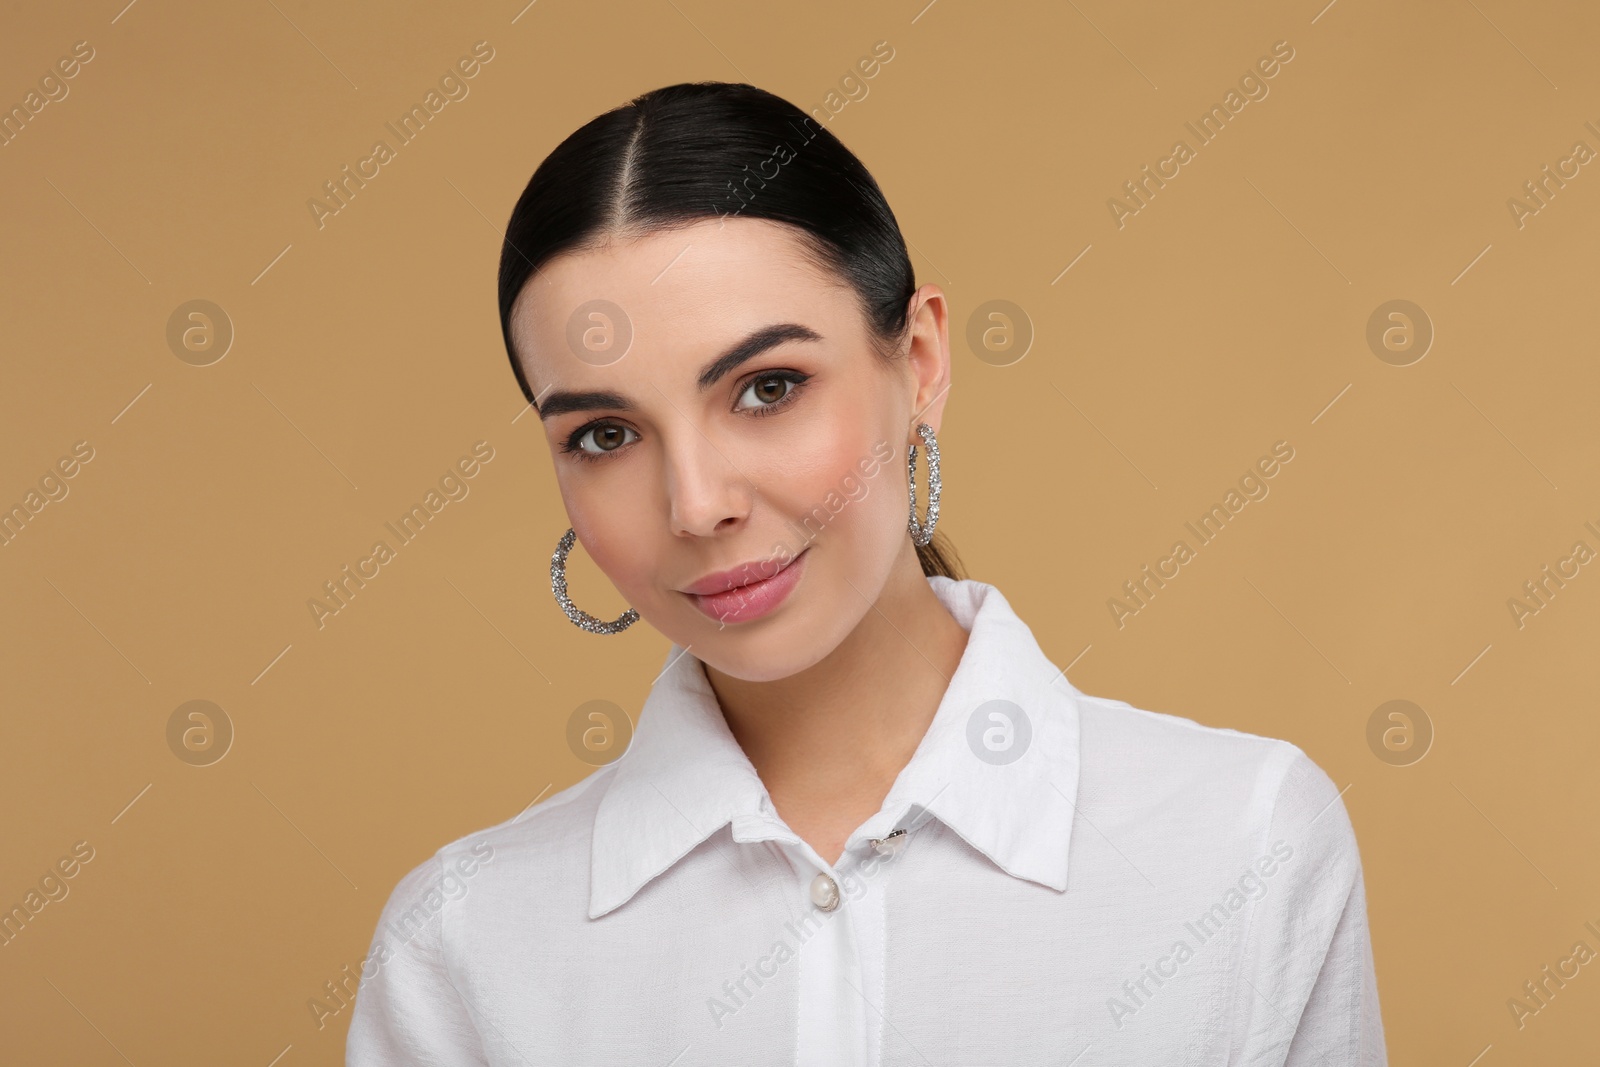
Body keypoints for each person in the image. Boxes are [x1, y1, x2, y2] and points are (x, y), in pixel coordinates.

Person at [346, 81, 1386, 1065]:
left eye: (767, 387)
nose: (696, 502)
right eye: (606, 432)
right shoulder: (465, 941)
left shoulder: (1244, 842)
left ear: (920, 361)